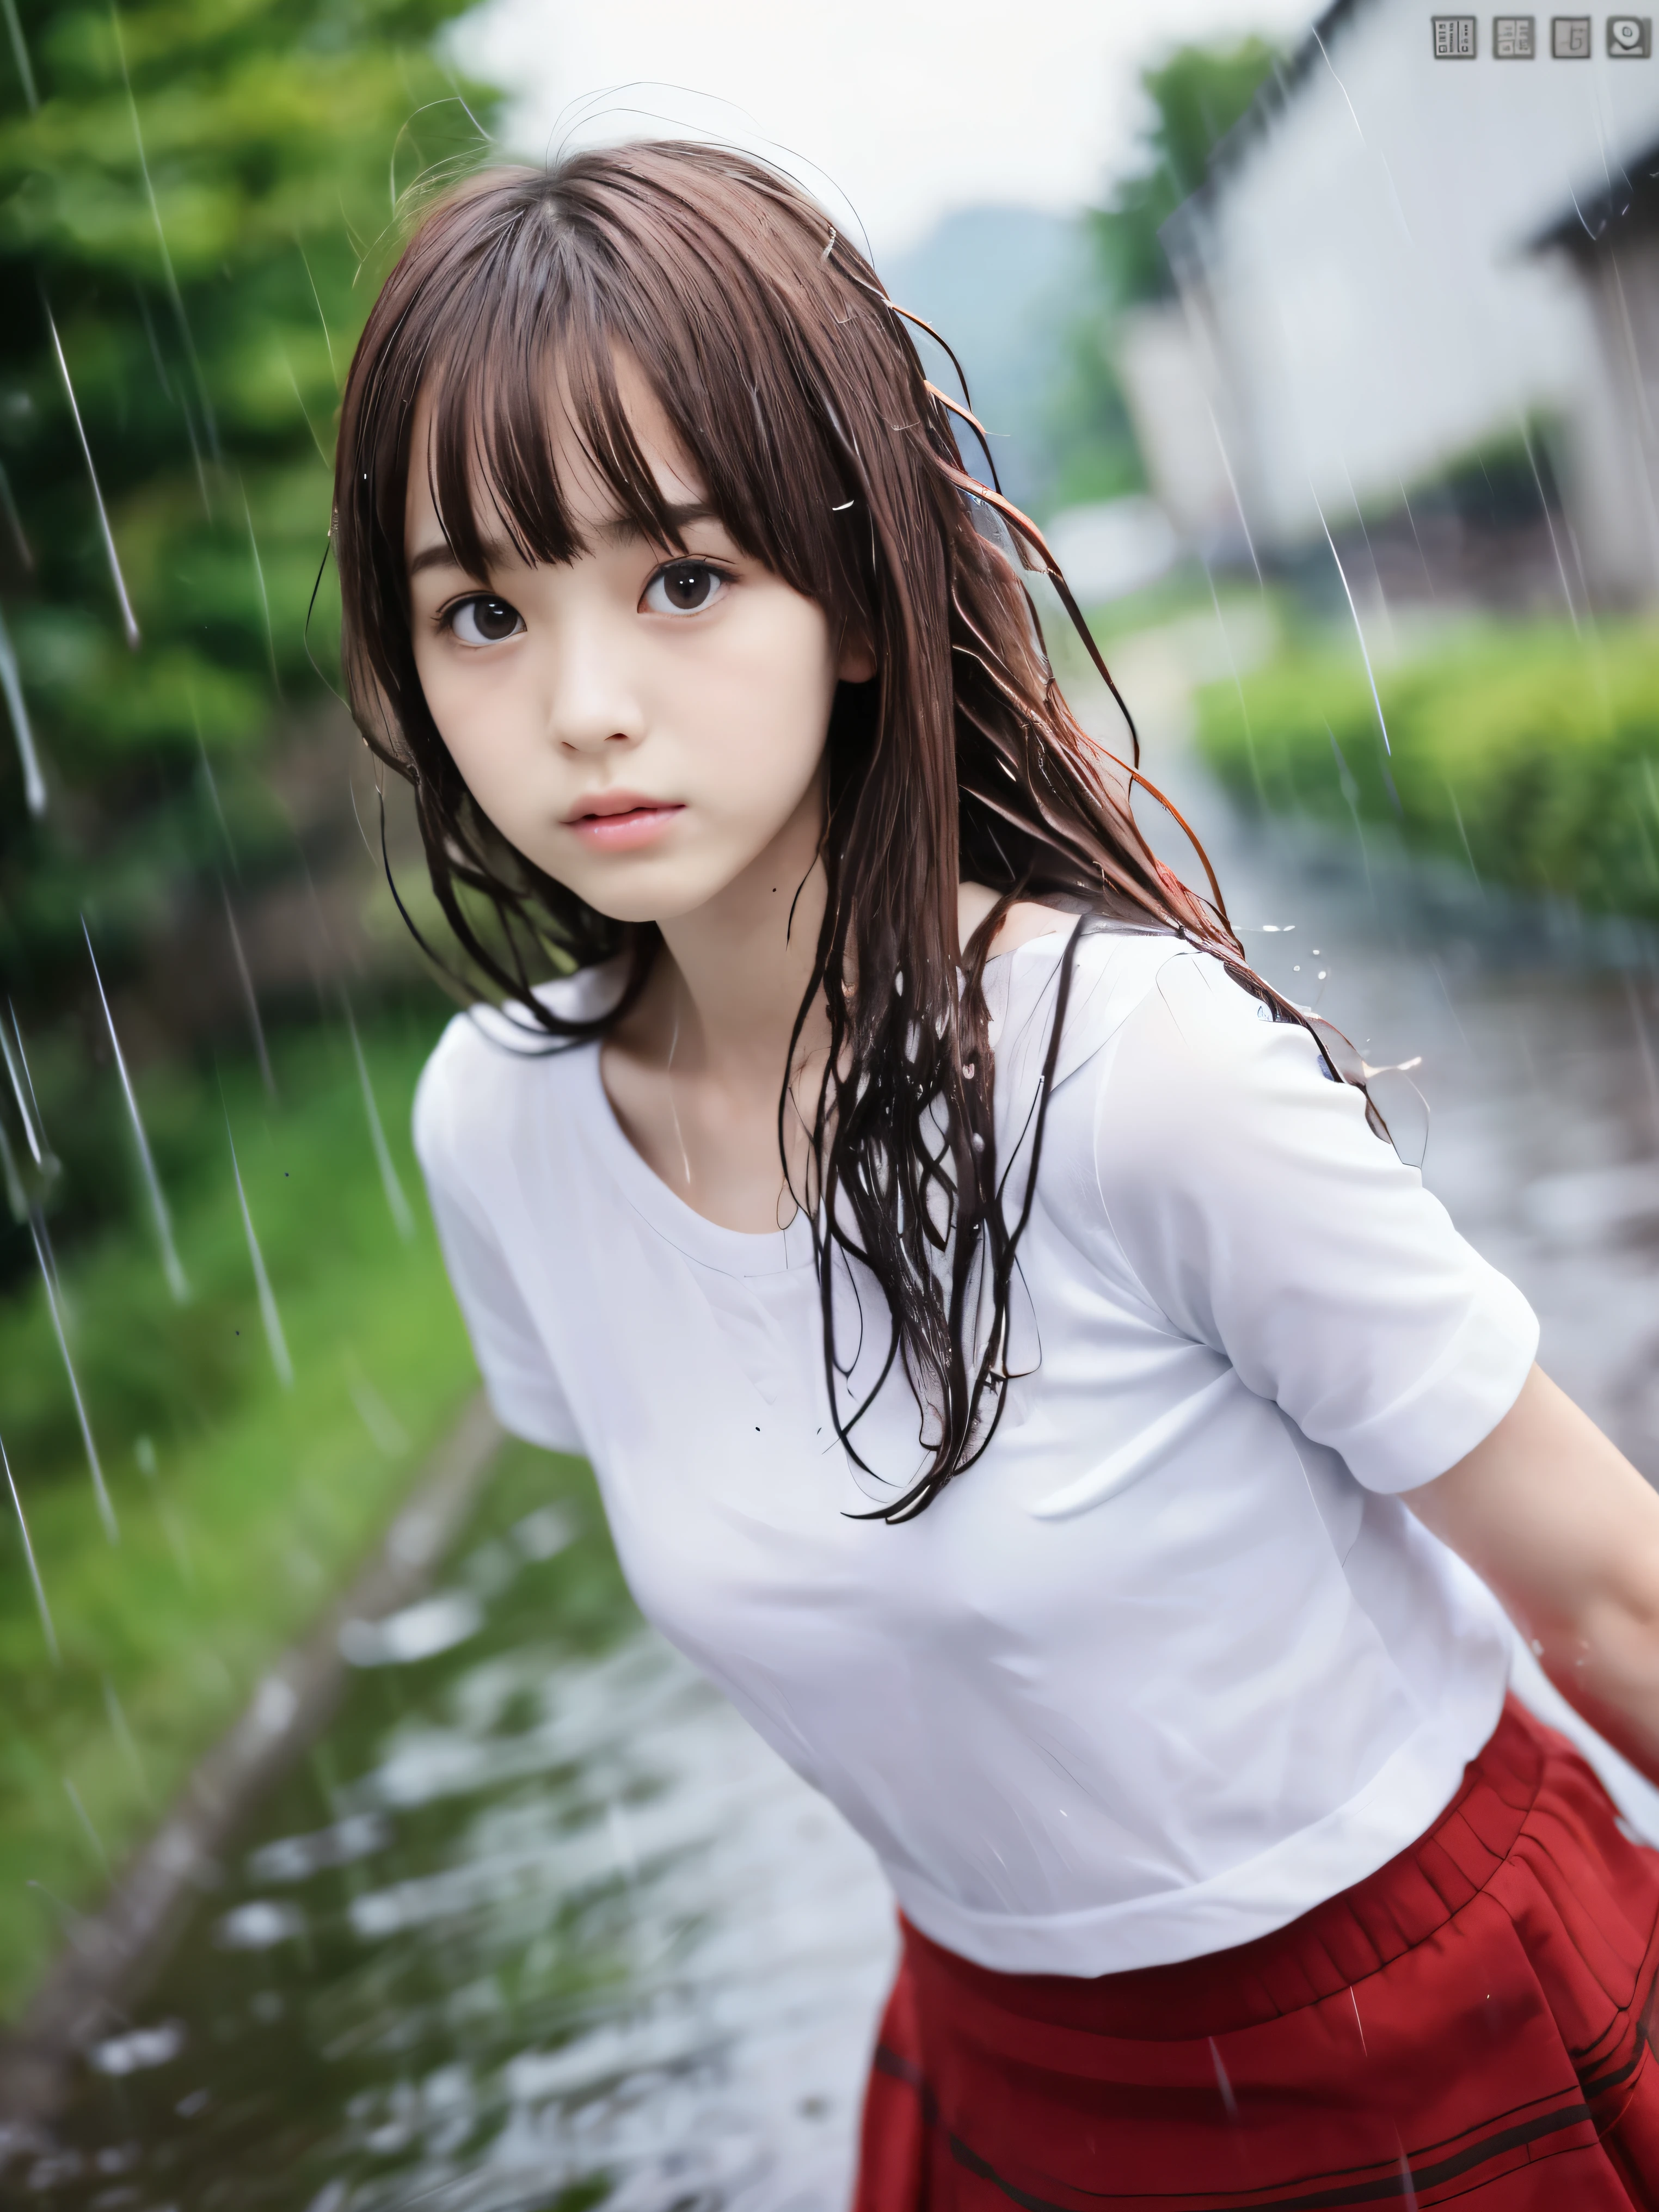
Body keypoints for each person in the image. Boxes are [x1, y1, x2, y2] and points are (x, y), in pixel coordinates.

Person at [332, 142, 1659, 2207]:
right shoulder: (497, 1126)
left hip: (1421, 2026)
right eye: (484, 611)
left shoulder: (1134, 1073)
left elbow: (1608, 1591)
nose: (583, 709)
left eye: (682, 580)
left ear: (857, 604)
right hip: (995, 2071)